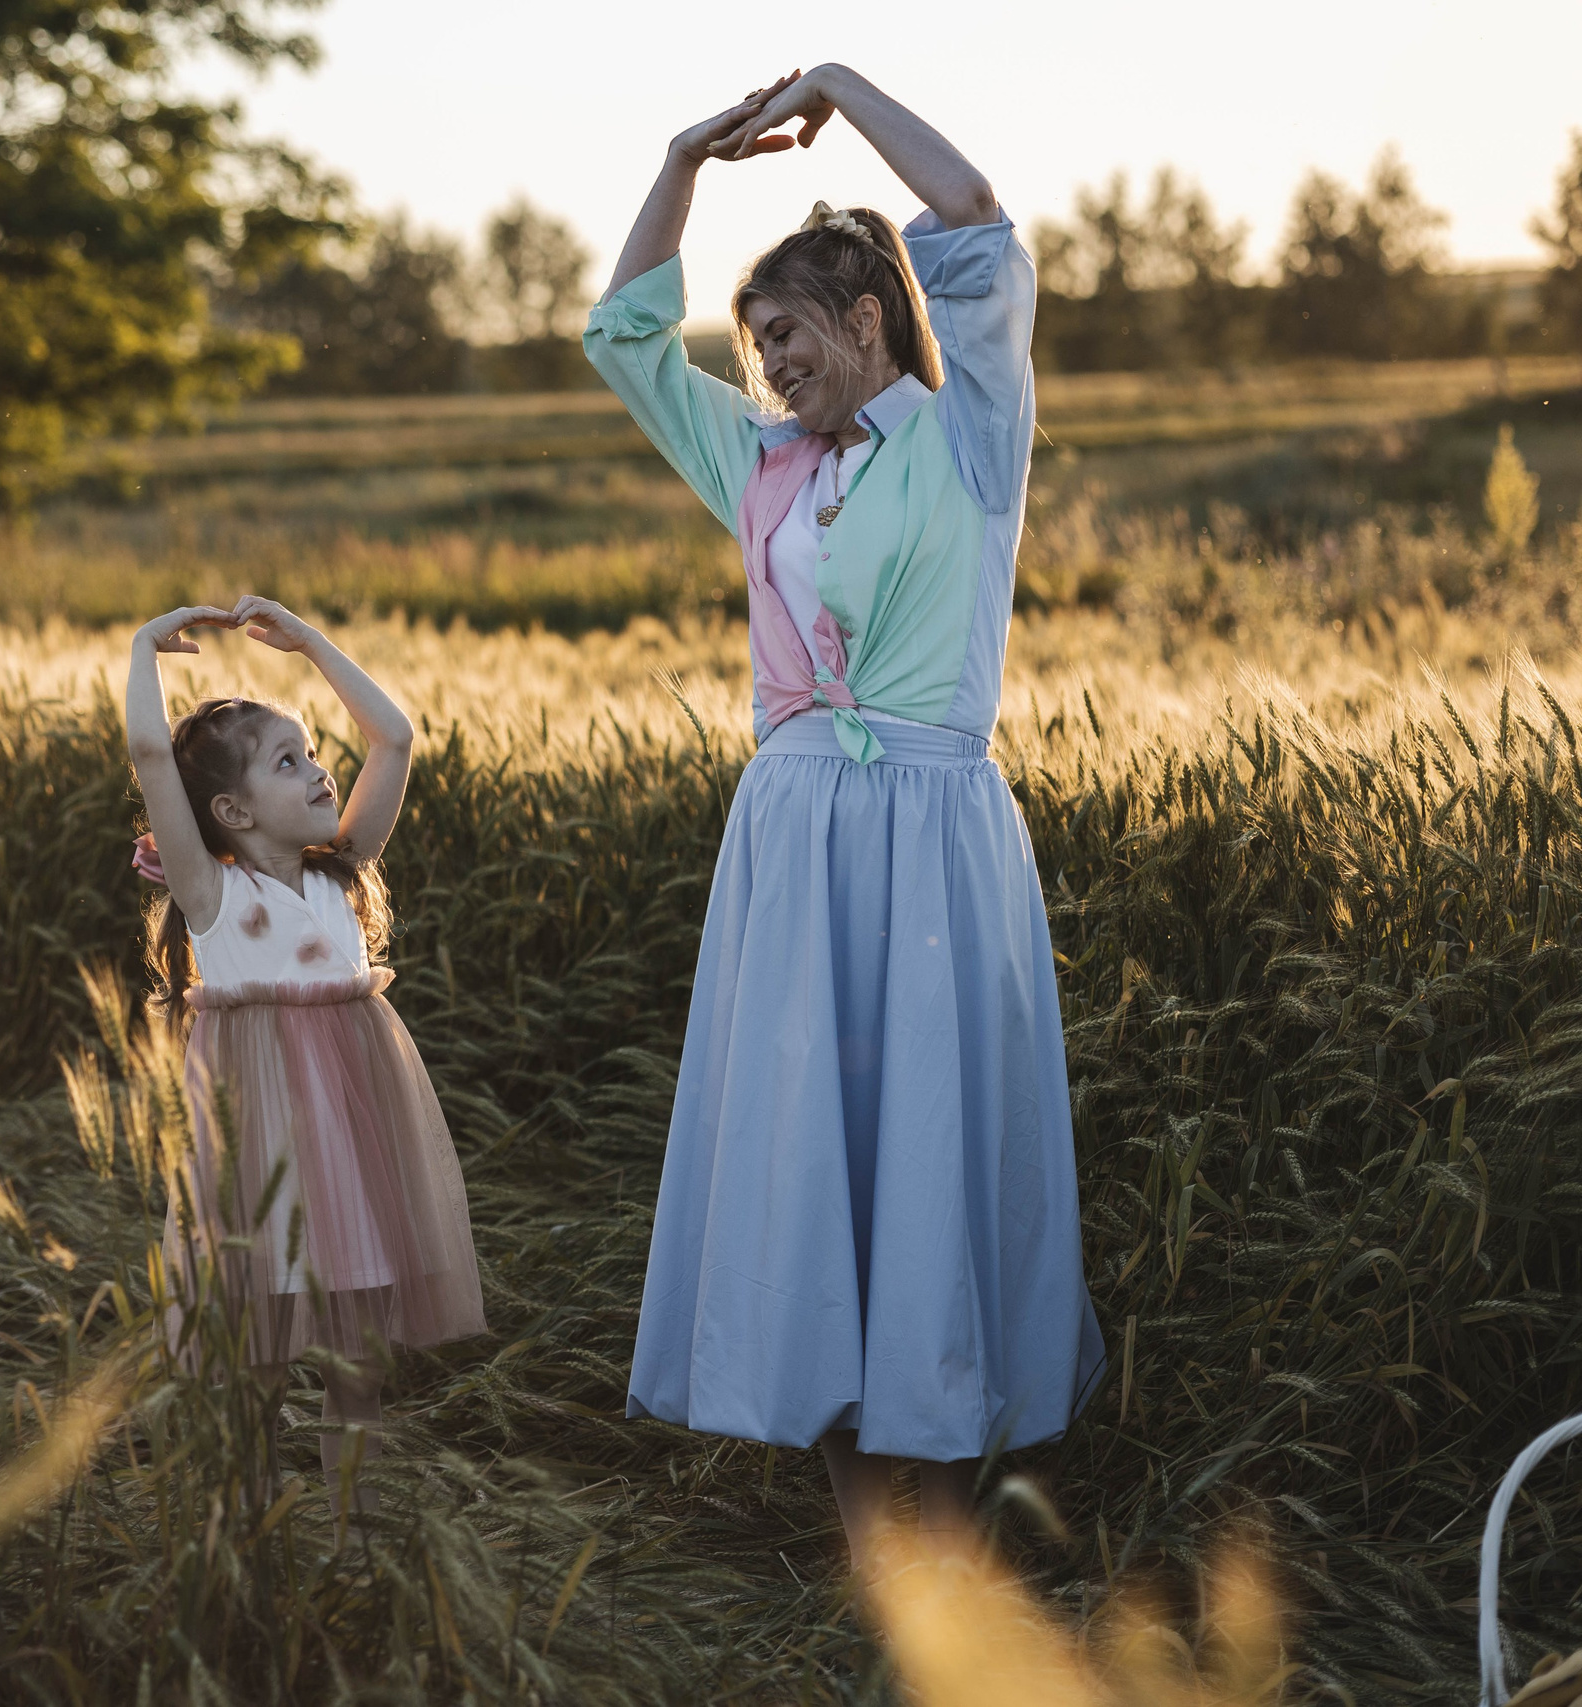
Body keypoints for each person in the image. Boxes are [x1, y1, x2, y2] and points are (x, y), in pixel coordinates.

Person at [582, 66, 1104, 1570]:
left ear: (868, 317)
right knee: (808, 1157)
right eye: (756, 343)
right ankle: (871, 1550)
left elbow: (974, 214)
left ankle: (953, 1540)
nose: (769, 364)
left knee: (926, 1152)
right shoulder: (761, 463)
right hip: (792, 843)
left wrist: (833, 87)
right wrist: (683, 160)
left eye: (789, 334)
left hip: (933, 837)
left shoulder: (970, 436)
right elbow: (622, 337)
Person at [123, 594, 486, 1506]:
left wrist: (312, 643)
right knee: (253, 1370)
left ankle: (350, 1544)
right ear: (232, 810)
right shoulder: (211, 897)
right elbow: (149, 755)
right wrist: (142, 649)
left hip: (354, 1150)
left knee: (356, 1367)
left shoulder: (342, 871)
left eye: (315, 751)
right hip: (259, 1156)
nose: (321, 770)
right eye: (290, 762)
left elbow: (394, 737)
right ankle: (251, 1540)